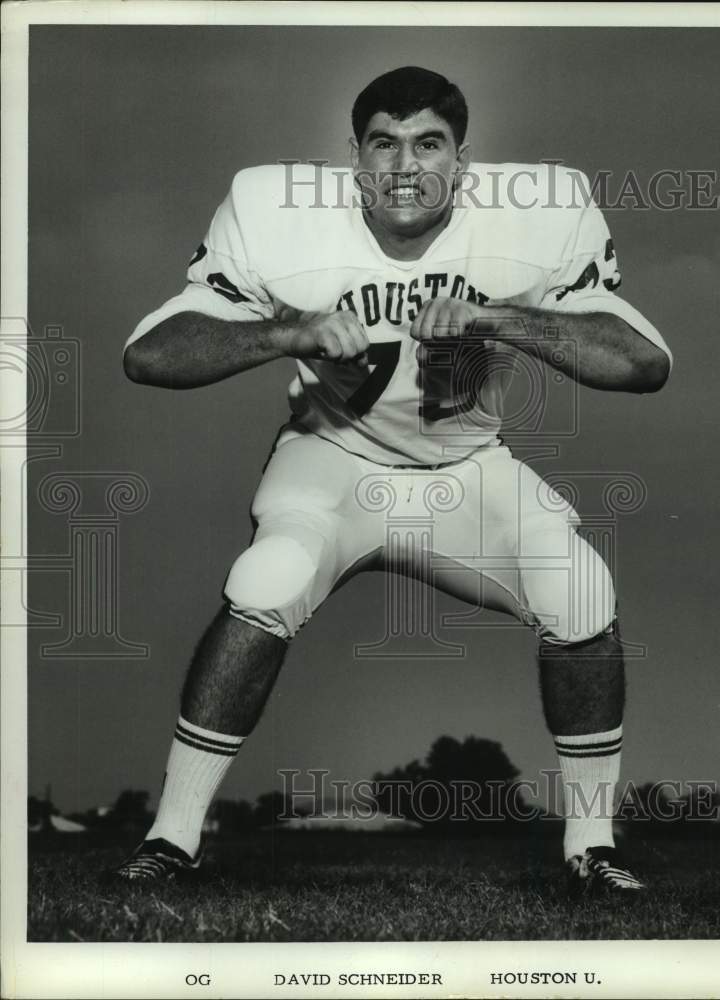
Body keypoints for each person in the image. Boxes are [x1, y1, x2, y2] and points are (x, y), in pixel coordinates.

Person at [111, 66, 671, 895]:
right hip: (331, 458)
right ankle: (171, 839)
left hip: (466, 467)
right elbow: (149, 353)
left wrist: (494, 317)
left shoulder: (540, 211)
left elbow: (642, 362)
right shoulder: (276, 209)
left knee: (582, 593)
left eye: (429, 145)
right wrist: (284, 332)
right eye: (384, 144)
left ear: (464, 162)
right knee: (267, 577)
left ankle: (594, 847)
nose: (405, 166)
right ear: (353, 159)